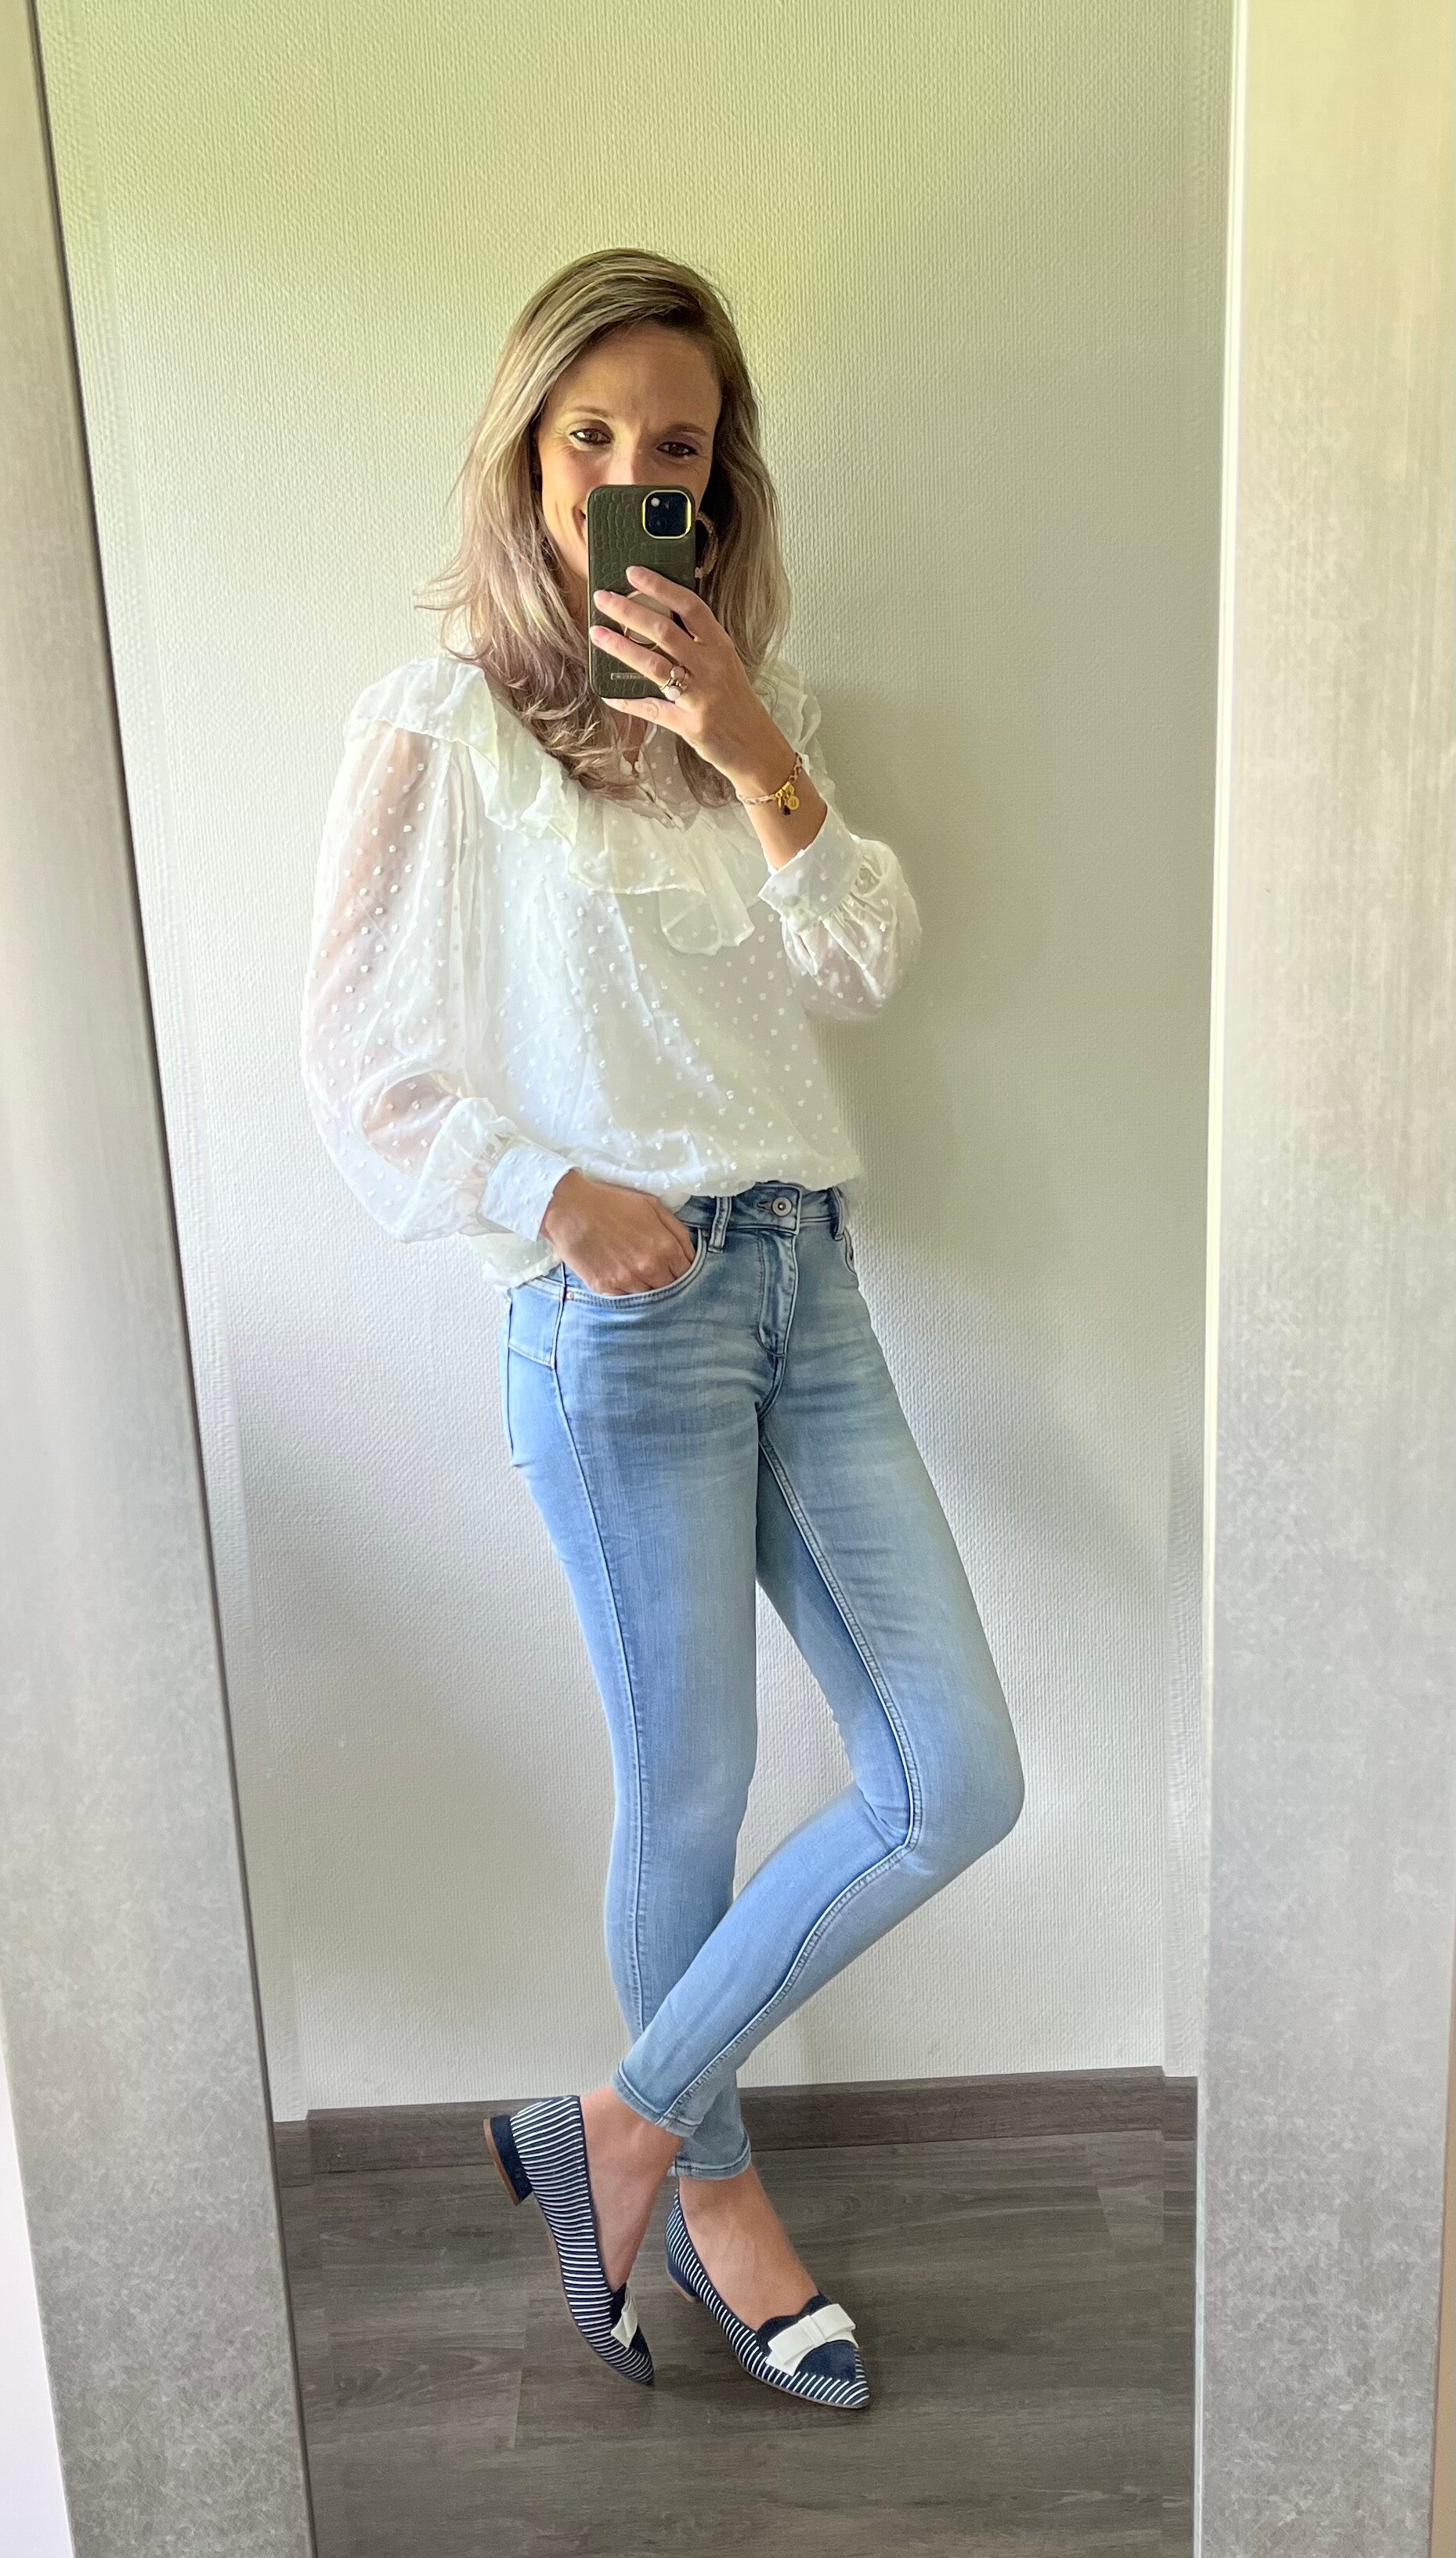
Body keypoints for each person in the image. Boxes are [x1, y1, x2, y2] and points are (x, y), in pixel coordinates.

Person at [301, 247, 1024, 2411]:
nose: (631, 472)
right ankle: (712, 2198)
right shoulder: (437, 722)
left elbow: (860, 970)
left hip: (814, 1286)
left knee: (956, 1777)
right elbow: (358, 1061)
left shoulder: (749, 716)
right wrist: (551, 1193)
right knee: (688, 1792)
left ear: (719, 484)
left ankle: (608, 2127)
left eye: (676, 446)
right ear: (526, 461)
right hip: (621, 1322)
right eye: (590, 436)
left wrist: (748, 744)